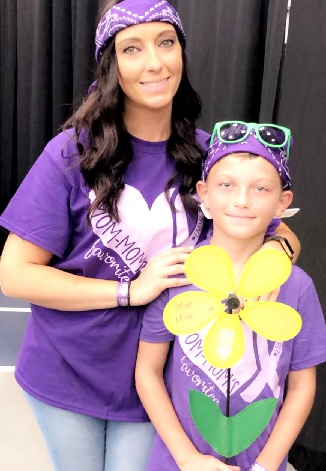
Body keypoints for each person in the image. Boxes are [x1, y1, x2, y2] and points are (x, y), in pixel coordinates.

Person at [0, 0, 299, 468]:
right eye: (132, 48)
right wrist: (130, 290)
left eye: (166, 43)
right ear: (112, 64)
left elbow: (279, 231)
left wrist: (275, 256)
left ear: (182, 52)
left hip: (160, 376)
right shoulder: (71, 153)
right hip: (68, 369)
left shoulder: (208, 156)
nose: (154, 62)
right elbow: (14, 275)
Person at [136, 121, 326, 471]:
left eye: (261, 189)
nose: (242, 201)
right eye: (227, 185)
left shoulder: (297, 286)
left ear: (282, 202)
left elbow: (302, 385)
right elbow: (148, 373)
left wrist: (266, 464)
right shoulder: (176, 275)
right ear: (205, 194)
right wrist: (187, 458)